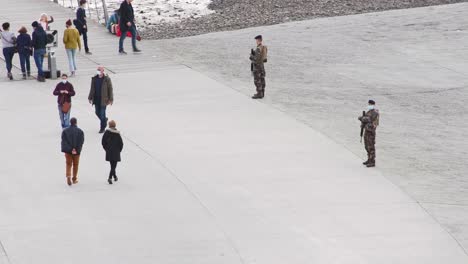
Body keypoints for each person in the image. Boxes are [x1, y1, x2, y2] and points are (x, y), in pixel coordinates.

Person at [88, 66, 114, 133]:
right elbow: (92, 89)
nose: (98, 71)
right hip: (96, 99)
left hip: (104, 99)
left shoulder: (106, 79)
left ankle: (102, 128)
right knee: (97, 112)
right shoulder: (94, 78)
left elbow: (110, 89)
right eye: (97, 69)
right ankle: (104, 120)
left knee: (102, 114)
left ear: (103, 71)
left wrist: (111, 99)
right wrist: (90, 97)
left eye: (99, 70)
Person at [61, 117, 85, 186]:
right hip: (77, 152)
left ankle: (68, 176)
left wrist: (70, 149)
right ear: (76, 123)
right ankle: (74, 178)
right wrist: (76, 149)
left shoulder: (65, 131)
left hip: (68, 151)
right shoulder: (80, 131)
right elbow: (81, 142)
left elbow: (64, 141)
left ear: (70, 123)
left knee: (68, 164)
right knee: (75, 165)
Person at [358, 100, 380, 168]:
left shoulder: (375, 112)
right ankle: (369, 159)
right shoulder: (369, 112)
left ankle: (372, 161)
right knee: (367, 146)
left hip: (371, 132)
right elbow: (365, 119)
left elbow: (368, 119)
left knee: (371, 146)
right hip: (367, 131)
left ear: (373, 105)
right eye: (368, 104)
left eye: (370, 104)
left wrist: (362, 118)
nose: (369, 105)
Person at [102, 120, 124, 184]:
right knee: (113, 166)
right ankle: (110, 177)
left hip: (109, 151)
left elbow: (103, 142)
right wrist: (119, 150)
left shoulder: (107, 132)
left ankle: (114, 176)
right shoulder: (117, 133)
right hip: (116, 152)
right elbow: (121, 144)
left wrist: (106, 149)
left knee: (112, 165)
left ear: (109, 125)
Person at [250, 35, 267, 99]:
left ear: (258, 40)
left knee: (257, 80)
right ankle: (262, 92)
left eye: (256, 40)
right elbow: (264, 59)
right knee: (262, 79)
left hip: (257, 67)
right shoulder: (263, 47)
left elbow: (256, 59)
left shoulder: (258, 48)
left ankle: (259, 93)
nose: (256, 41)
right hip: (262, 66)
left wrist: (251, 56)